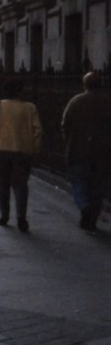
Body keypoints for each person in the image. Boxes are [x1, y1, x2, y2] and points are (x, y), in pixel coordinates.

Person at [0, 78, 43, 232]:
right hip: (23, 151)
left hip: (1, 150)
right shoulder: (30, 108)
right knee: (21, 185)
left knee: (2, 184)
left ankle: (4, 215)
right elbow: (38, 130)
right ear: (20, 91)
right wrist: (34, 148)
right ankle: (21, 218)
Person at [61, 71, 111, 232]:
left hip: (79, 149)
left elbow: (65, 124)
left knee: (78, 182)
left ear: (85, 85)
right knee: (98, 186)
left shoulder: (76, 101)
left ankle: (84, 206)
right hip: (103, 151)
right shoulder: (107, 102)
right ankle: (92, 221)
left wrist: (69, 141)